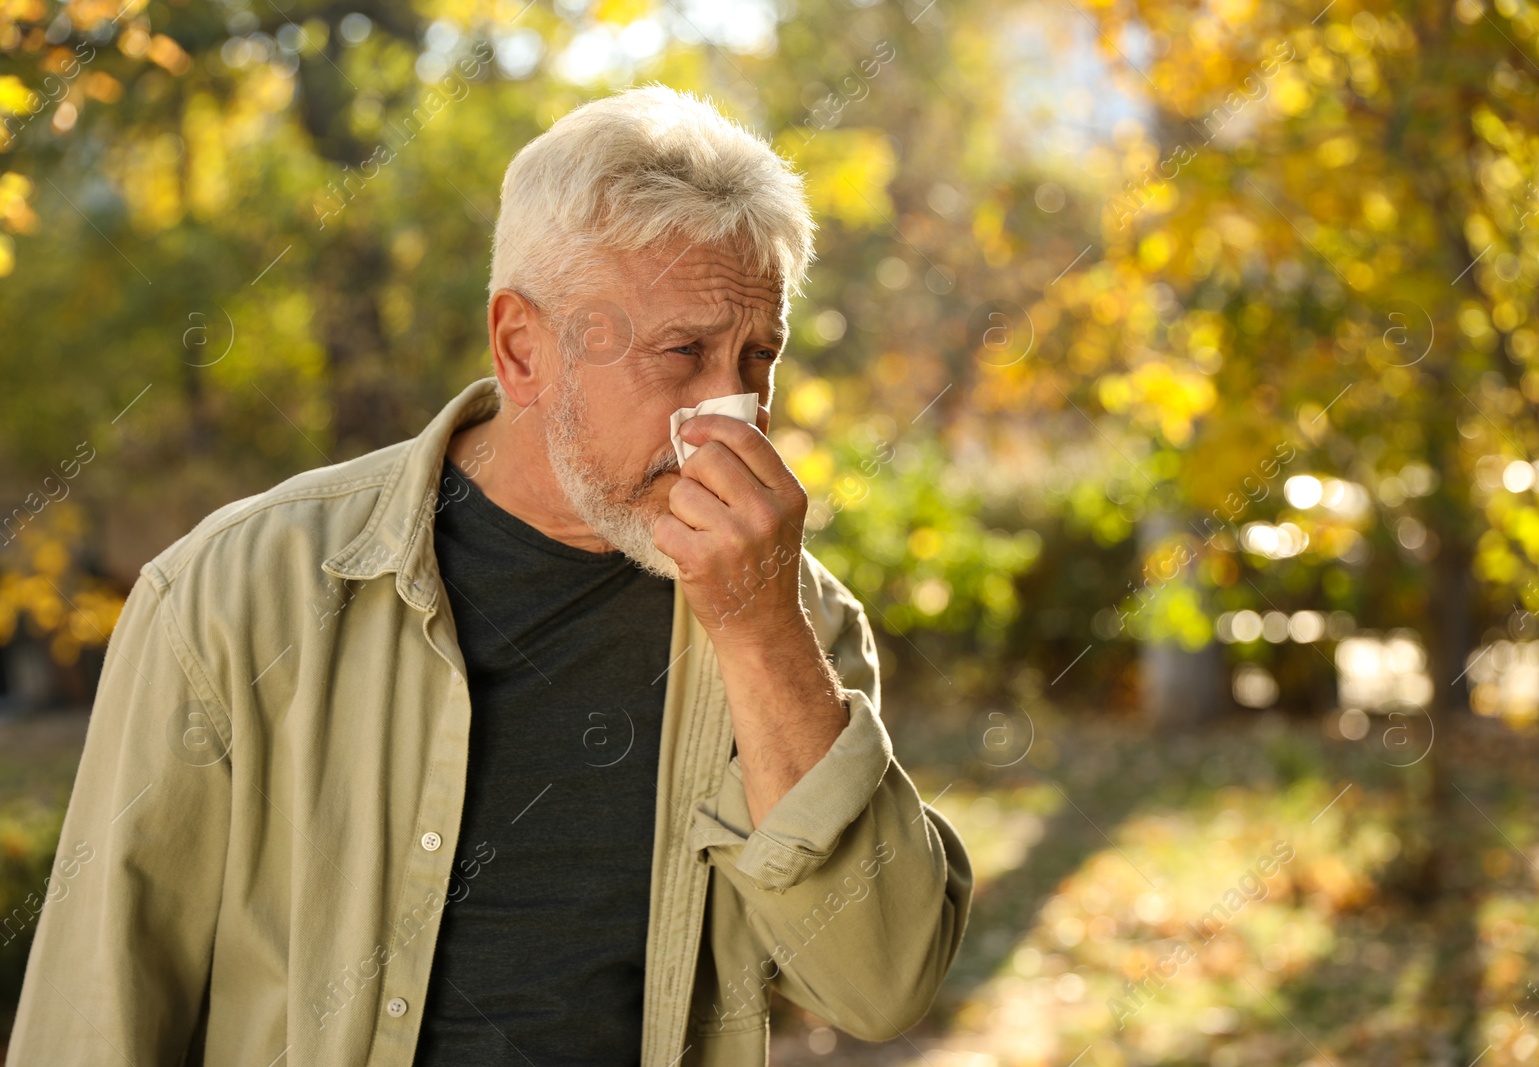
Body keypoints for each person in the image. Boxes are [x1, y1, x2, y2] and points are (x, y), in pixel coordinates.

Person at [5, 85, 971, 1066]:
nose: (731, 414)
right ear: (521, 350)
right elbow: (96, 1013)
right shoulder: (232, 593)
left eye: (756, 357)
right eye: (681, 352)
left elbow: (882, 983)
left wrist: (760, 633)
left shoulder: (794, 616)